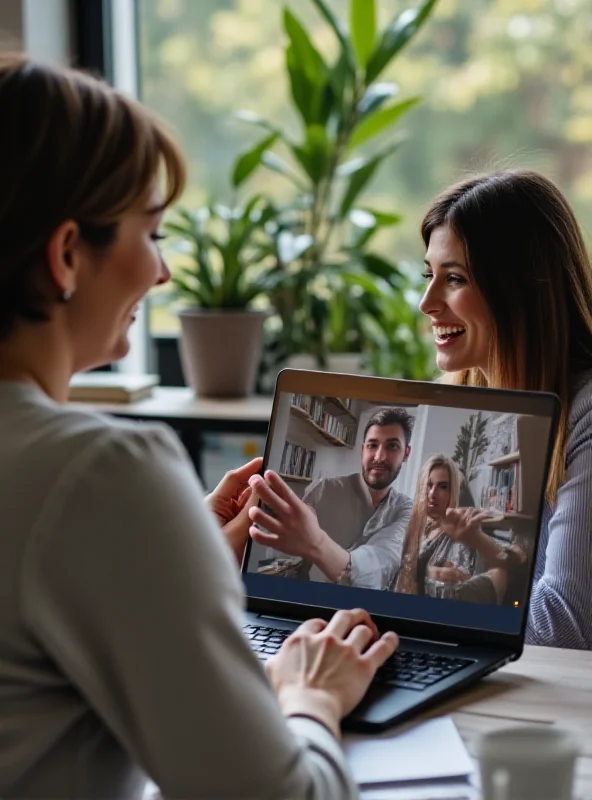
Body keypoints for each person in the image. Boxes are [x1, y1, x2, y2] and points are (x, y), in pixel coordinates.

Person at [0, 54, 398, 799]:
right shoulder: (96, 473)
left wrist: (187, 563)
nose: (163, 275)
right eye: (151, 235)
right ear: (64, 257)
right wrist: (313, 695)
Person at [419, 169, 592, 648]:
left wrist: (417, 608)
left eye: (454, 278)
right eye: (428, 275)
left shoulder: (585, 415)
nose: (426, 302)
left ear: (518, 291)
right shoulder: (480, 403)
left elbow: (563, 626)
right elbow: (516, 573)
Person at [249, 407, 414, 590]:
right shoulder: (324, 490)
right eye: (372, 445)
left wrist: (316, 542)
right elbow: (293, 560)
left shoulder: (405, 509)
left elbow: (381, 560)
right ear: (362, 450)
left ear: (406, 453)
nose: (379, 456)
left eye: (392, 446)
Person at [395, 454, 526, 604]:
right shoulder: (411, 524)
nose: (432, 494)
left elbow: (518, 557)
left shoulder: (457, 529)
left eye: (443, 487)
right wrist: (428, 570)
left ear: (453, 492)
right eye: (429, 484)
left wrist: (477, 539)